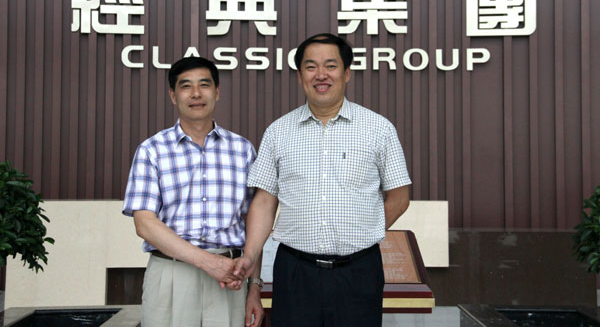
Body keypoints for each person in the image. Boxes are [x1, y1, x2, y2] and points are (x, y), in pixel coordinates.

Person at [233, 33, 411, 326]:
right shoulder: (278, 132)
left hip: (359, 272)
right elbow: (264, 203)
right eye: (311, 66)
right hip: (295, 272)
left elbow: (400, 198)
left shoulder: (379, 129)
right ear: (300, 75)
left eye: (330, 65)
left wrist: (361, 234)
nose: (321, 75)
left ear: (346, 73)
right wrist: (251, 264)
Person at [122, 56, 263, 327]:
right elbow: (145, 224)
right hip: (172, 274)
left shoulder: (242, 150)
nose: (196, 94)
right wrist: (208, 262)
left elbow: (253, 223)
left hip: (230, 277)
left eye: (204, 85)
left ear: (217, 92)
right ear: (173, 95)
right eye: (186, 86)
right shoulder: (152, 150)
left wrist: (254, 287)